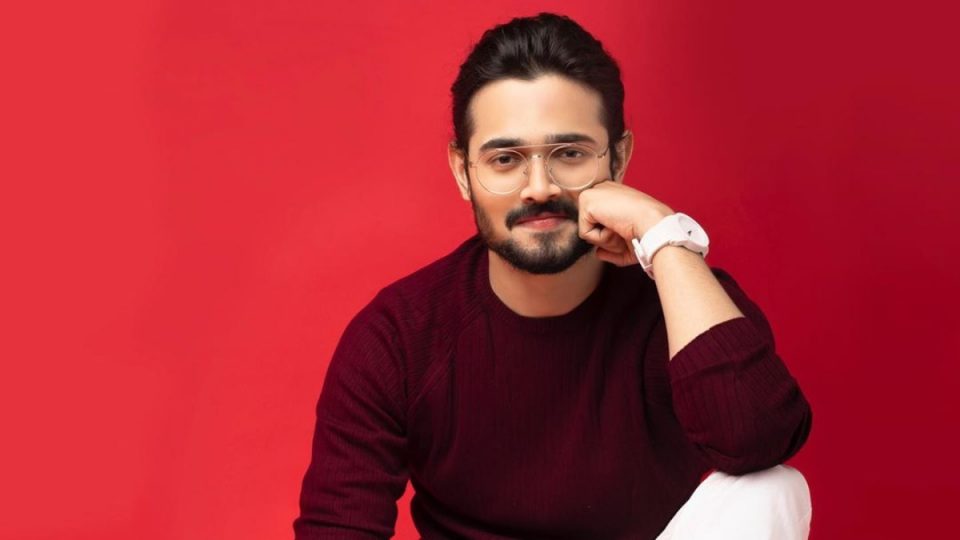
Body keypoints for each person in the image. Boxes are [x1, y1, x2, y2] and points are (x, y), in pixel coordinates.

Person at [294, 12, 813, 540]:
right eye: (505, 159)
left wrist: (663, 235)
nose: (539, 187)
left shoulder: (680, 302)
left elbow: (761, 438)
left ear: (618, 158)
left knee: (771, 487)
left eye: (569, 154)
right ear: (462, 172)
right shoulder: (397, 337)